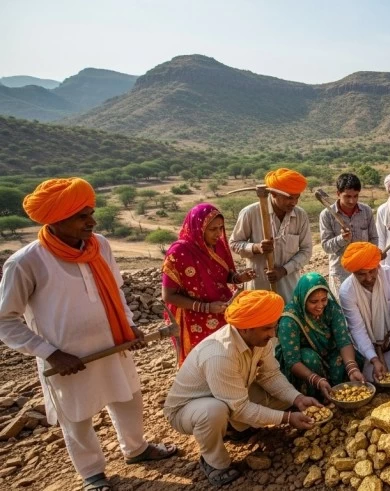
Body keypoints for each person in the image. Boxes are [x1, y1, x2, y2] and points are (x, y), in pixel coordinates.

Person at [0, 178, 177, 491]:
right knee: (77, 419)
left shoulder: (101, 246)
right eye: (82, 216)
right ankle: (92, 473)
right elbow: (6, 320)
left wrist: (128, 322)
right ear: (55, 220)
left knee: (129, 399)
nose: (91, 222)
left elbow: (117, 289)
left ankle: (136, 449)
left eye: (91, 213)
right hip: (67, 358)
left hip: (112, 346)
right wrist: (50, 353)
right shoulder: (25, 262)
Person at [164, 290, 322, 487]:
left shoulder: (258, 338)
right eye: (267, 329)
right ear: (245, 328)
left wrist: (297, 399)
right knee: (213, 411)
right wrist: (288, 419)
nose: (272, 334)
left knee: (285, 396)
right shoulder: (219, 354)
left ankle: (234, 428)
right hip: (188, 409)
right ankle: (213, 462)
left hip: (229, 393)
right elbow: (240, 407)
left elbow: (270, 375)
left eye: (273, 327)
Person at [162, 203, 257, 364]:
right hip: (193, 317)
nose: (218, 234)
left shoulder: (217, 245)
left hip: (222, 309)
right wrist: (205, 307)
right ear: (198, 228)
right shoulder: (179, 252)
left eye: (221, 228)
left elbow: (224, 276)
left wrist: (239, 278)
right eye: (213, 229)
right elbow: (168, 296)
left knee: (228, 358)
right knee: (202, 362)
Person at [276, 272, 366, 400]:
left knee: (343, 358)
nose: (320, 306)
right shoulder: (289, 319)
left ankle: (340, 395)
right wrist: (316, 380)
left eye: (323, 300)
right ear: (303, 298)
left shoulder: (331, 308)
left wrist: (352, 368)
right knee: (309, 358)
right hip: (304, 364)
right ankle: (315, 400)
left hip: (328, 354)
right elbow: (292, 361)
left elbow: (343, 340)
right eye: (313, 302)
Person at [229, 167, 313, 302]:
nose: (294, 202)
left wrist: (283, 270)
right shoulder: (250, 213)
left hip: (290, 287)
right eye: (289, 197)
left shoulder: (300, 215)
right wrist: (256, 248)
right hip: (259, 287)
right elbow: (234, 244)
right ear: (273, 194)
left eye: (297, 197)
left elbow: (306, 251)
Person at [338, 242, 390, 382]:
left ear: (378, 266)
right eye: (362, 275)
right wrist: (374, 359)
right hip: (366, 345)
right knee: (372, 376)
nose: (369, 278)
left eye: (372, 271)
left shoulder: (389, 274)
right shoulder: (347, 291)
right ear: (353, 273)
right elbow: (357, 329)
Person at [319, 173, 378, 298]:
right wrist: (341, 239)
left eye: (355, 196)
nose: (352, 201)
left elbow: (374, 238)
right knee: (344, 311)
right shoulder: (327, 215)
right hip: (341, 273)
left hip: (365, 272)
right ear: (338, 193)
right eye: (347, 196)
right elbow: (326, 247)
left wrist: (373, 256)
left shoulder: (366, 211)